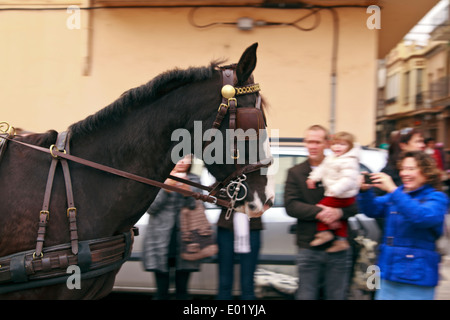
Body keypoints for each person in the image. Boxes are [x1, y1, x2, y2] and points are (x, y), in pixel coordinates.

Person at [358, 151, 449, 300]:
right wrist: (365, 191)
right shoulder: (398, 194)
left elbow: (422, 217)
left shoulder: (436, 197)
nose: (404, 173)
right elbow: (372, 210)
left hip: (417, 277)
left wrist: (393, 190)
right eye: (403, 169)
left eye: (411, 169)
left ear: (426, 172)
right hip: (387, 272)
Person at [284, 124, 358, 300]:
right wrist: (321, 212)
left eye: (317, 141)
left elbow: (355, 205)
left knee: (336, 296)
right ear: (304, 143)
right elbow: (291, 205)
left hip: (339, 247)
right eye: (309, 141)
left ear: (327, 143)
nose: (313, 146)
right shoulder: (295, 172)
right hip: (309, 245)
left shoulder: (343, 166)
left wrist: (338, 213)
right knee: (306, 296)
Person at [142, 155, 201, 300]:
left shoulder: (194, 179)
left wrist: (188, 193)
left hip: (186, 240)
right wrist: (166, 188)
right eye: (178, 157)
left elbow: (196, 207)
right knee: (161, 292)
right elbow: (151, 208)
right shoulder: (158, 177)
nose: (182, 162)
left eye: (186, 157)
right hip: (160, 240)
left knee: (183, 292)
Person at [306, 131, 360, 252]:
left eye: (342, 144)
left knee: (322, 207)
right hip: (338, 194)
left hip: (344, 195)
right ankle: (341, 240)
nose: (337, 147)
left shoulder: (349, 161)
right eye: (335, 144)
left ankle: (324, 232)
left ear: (349, 147)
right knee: (338, 217)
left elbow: (349, 180)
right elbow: (322, 169)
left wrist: (334, 190)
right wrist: (313, 177)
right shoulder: (332, 158)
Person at [216, 208, 262, 300]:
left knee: (248, 283)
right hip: (227, 224)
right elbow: (218, 197)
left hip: (252, 224)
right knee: (224, 282)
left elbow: (262, 198)